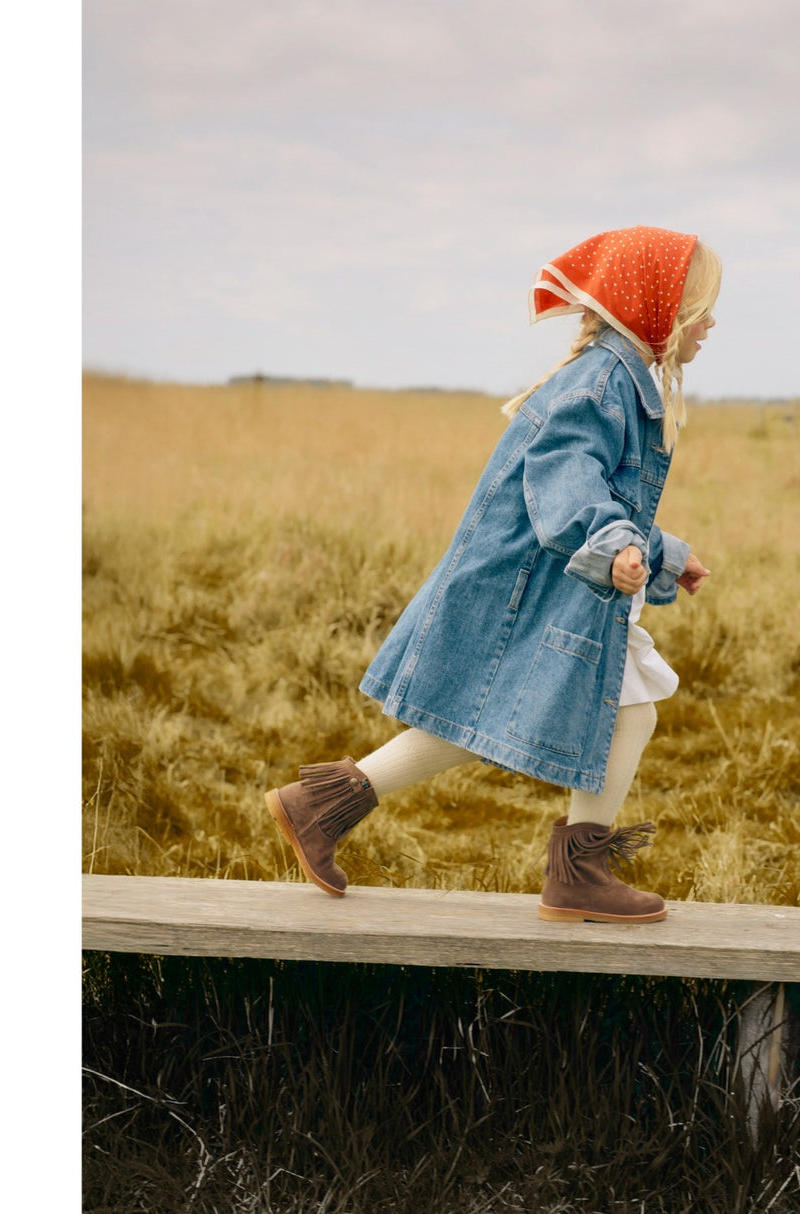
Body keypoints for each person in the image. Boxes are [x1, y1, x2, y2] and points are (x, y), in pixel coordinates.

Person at [266, 225, 720, 923]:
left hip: (550, 581)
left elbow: (601, 495)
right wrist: (619, 546)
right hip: (533, 587)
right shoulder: (603, 381)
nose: (712, 323)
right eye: (702, 306)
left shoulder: (618, 377)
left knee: (486, 710)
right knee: (617, 706)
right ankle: (578, 874)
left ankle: (324, 805)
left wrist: (662, 553)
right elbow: (568, 481)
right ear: (660, 308)